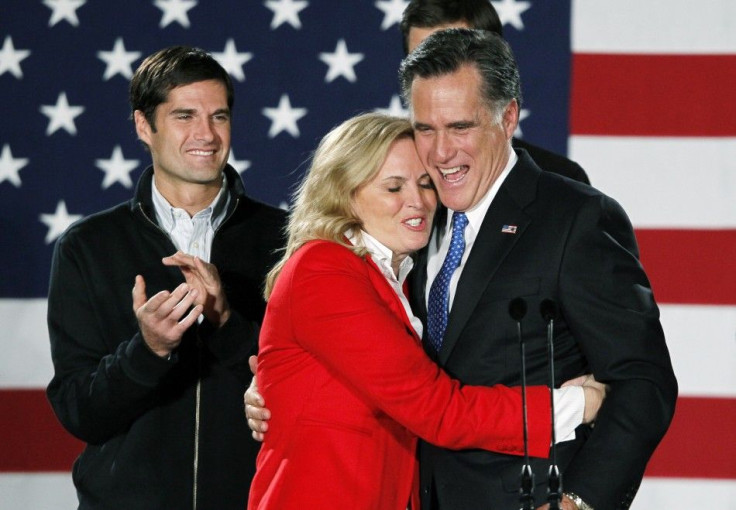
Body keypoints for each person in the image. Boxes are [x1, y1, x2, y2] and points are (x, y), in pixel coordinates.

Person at [246, 112, 605, 510]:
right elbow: (437, 409)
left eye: (424, 183)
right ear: (344, 193)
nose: (417, 201)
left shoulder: (401, 279)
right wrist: (576, 405)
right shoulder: (323, 269)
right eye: (393, 187)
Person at [398, 29, 678, 510]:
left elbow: (644, 381)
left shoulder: (574, 217)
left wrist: (578, 502)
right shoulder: (414, 215)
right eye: (425, 128)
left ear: (507, 118)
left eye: (460, 127)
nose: (441, 153)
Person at [46, 46, 286, 509]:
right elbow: (79, 411)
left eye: (218, 116)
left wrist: (226, 323)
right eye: (184, 116)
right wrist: (148, 350)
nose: (206, 134)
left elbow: (309, 391)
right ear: (144, 126)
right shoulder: (87, 246)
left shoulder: (288, 241)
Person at [400, 0, 591, 185]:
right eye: (422, 60)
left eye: (455, 53)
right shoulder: (393, 180)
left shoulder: (560, 185)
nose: (441, 153)